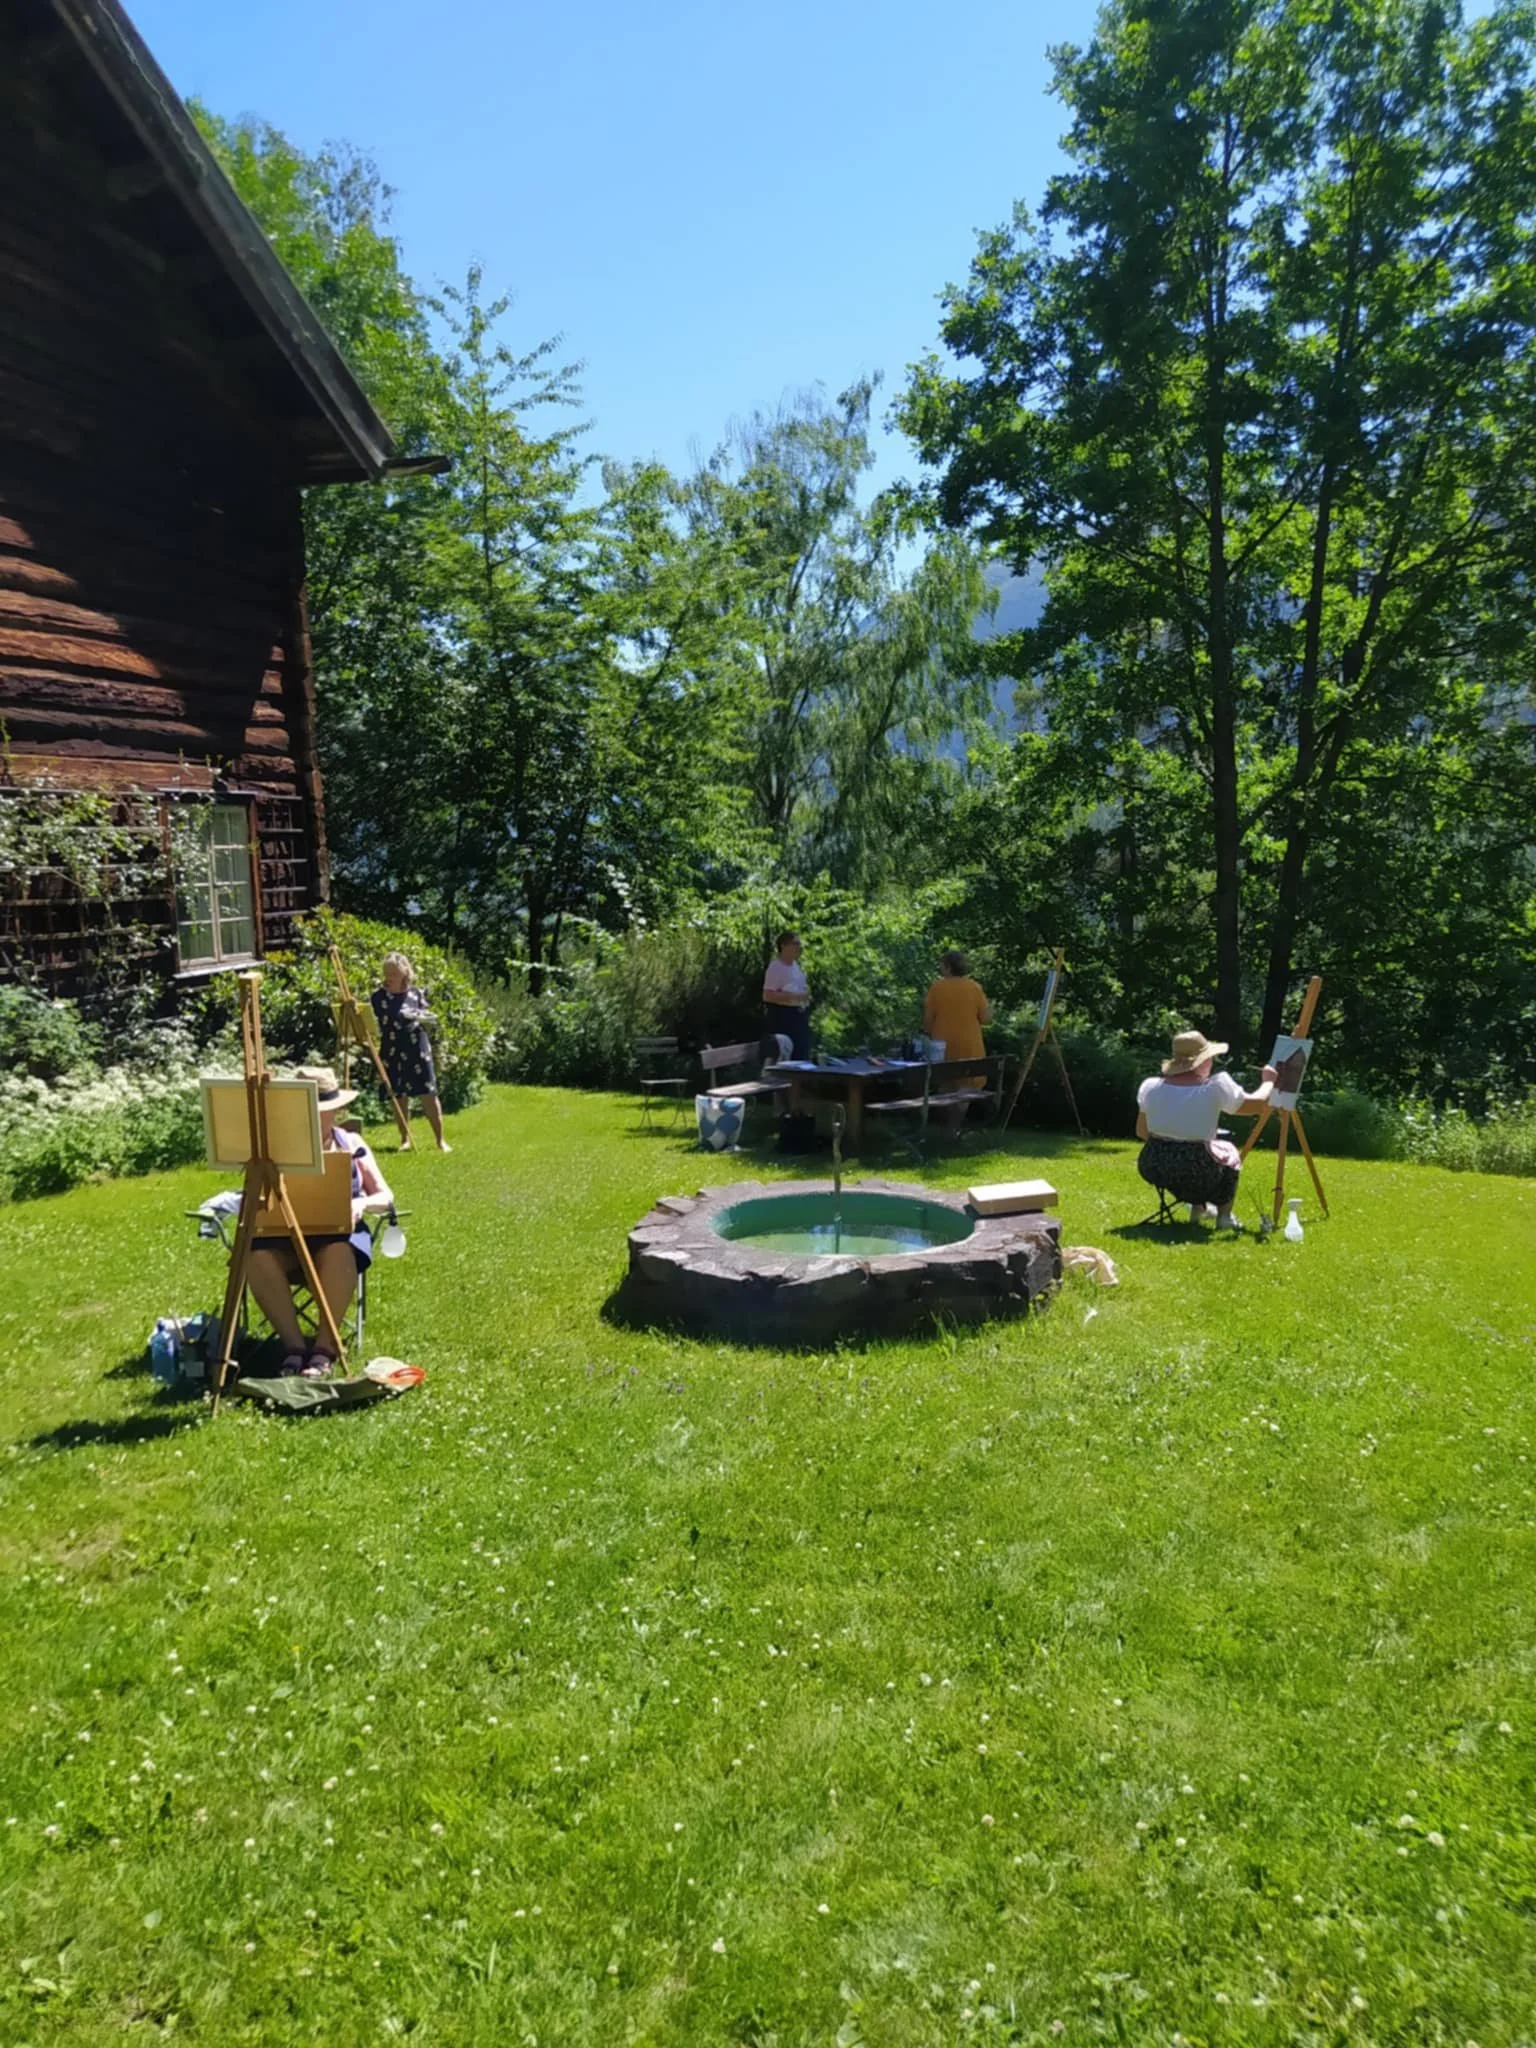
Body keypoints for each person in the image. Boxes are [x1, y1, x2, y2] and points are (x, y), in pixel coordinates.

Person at [247, 1066, 395, 1377]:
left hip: (338, 1236)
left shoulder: (350, 1142)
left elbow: (386, 1196)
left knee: (339, 1250)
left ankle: (325, 1350)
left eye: (323, 1111)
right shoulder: (274, 1148)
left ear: (337, 1110)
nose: (315, 1118)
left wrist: (361, 1203)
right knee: (255, 1254)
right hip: (284, 1238)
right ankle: (294, 1347)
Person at [1136, 1030, 1277, 1231]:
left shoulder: (1150, 1087)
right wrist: (1269, 1081)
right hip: (1198, 1170)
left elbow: (1142, 1132)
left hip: (1154, 1165)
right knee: (1227, 1150)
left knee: (1205, 1148)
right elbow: (1256, 1105)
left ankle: (1199, 1208)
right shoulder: (1214, 1087)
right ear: (1202, 1062)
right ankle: (1224, 1216)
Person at [371, 951, 451, 1152]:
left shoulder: (416, 993)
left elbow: (425, 1014)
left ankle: (440, 1140)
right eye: (387, 973)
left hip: (417, 1045)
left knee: (428, 1092)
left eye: (394, 973)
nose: (389, 977)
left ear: (405, 973)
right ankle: (405, 1139)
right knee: (398, 1095)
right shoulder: (378, 997)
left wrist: (420, 1016)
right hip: (392, 1047)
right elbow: (372, 1021)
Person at [922, 951, 993, 1123]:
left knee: (945, 1085)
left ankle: (945, 1129)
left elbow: (927, 1022)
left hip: (942, 1046)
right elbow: (986, 1019)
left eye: (942, 965)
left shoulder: (937, 988)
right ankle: (955, 1128)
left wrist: (929, 1035)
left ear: (948, 967)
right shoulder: (975, 988)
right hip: (970, 1046)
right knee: (965, 1087)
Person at [763, 931, 812, 1061]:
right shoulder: (775, 968)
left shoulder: (795, 966)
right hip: (784, 1019)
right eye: (795, 943)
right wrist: (792, 997)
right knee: (788, 1061)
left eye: (799, 944)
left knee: (802, 1057)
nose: (799, 947)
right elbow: (767, 995)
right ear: (784, 946)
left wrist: (805, 995)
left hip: (799, 1016)